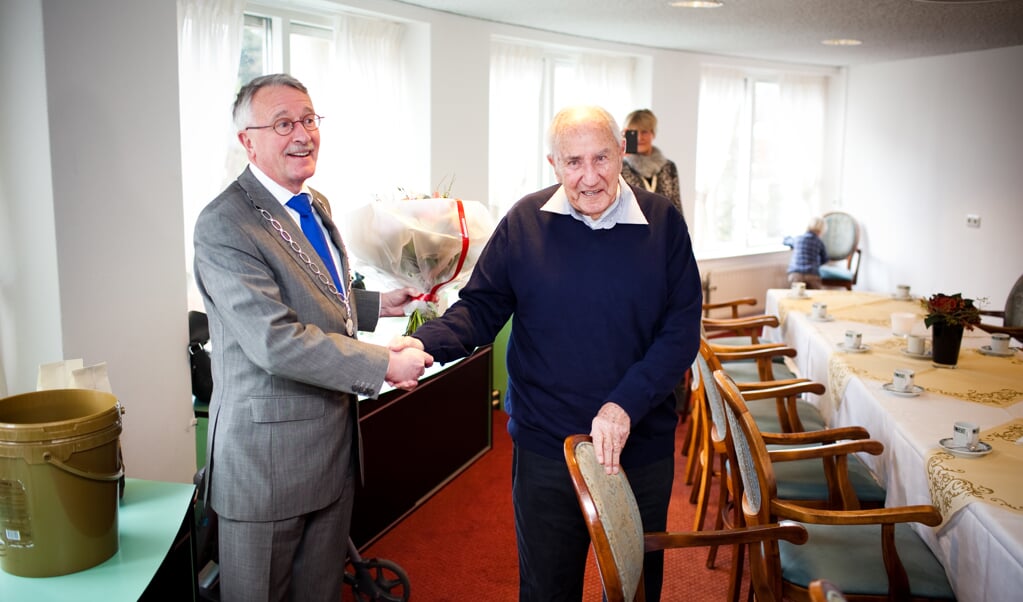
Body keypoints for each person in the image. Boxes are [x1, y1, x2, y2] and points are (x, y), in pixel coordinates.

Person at [393, 105, 703, 601]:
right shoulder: (524, 221)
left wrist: (624, 404)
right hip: (548, 447)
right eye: (573, 162)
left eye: (601, 158)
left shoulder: (664, 224)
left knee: (633, 588)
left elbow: (682, 329)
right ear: (553, 164)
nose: (589, 177)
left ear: (622, 151)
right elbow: (481, 308)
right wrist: (424, 342)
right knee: (546, 588)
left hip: (639, 444)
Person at [192, 73, 434, 602]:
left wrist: (374, 306)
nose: (302, 133)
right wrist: (382, 365)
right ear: (247, 141)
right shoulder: (224, 225)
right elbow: (275, 340)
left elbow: (315, 293)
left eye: (308, 119)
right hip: (266, 469)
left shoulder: (314, 201)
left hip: (331, 454)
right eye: (283, 123)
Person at [620, 108, 683, 217]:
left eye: (644, 132)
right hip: (633, 231)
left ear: (653, 133)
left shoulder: (668, 167)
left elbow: (676, 207)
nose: (640, 138)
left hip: (664, 230)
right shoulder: (620, 168)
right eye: (634, 133)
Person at [783, 216, 829, 289]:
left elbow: (786, 241)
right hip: (812, 273)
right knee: (815, 295)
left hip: (796, 273)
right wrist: (817, 263)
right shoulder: (819, 242)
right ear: (821, 230)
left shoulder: (798, 239)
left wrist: (787, 237)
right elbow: (825, 258)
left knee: (797, 295)